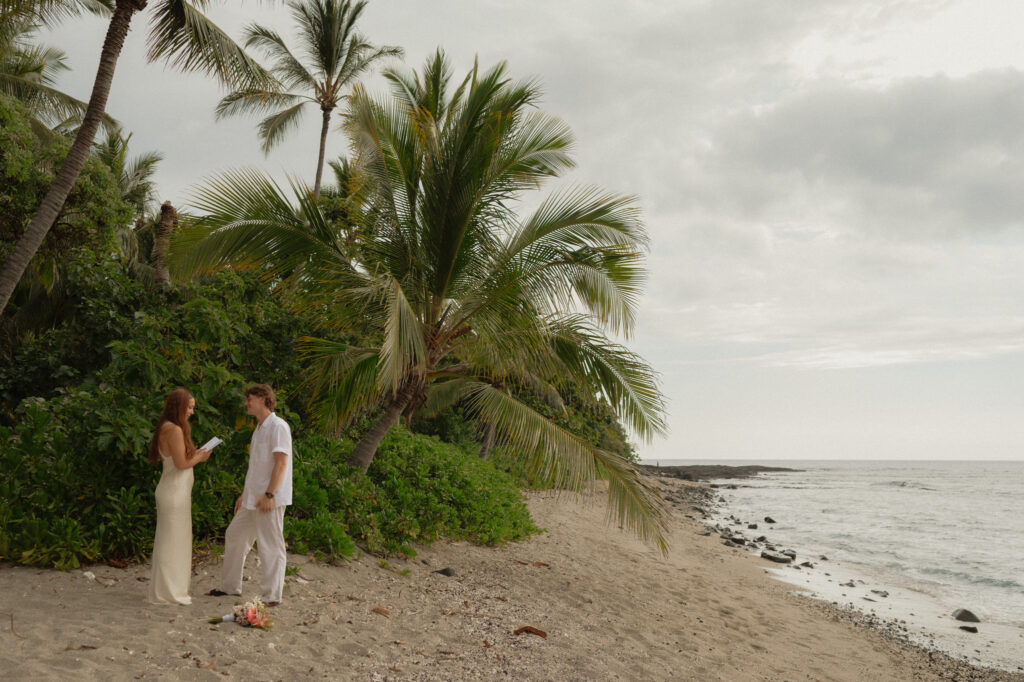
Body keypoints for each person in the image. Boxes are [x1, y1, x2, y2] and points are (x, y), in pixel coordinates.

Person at [208, 384, 293, 606]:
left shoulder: (278, 426)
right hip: (252, 498)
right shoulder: (259, 428)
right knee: (235, 534)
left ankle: (271, 597)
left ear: (263, 399)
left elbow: (281, 463)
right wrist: (244, 495)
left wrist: (270, 495)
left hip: (269, 499)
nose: (246, 403)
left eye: (249, 399)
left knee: (270, 545)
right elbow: (256, 467)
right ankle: (230, 587)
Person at [148, 388, 211, 605]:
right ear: (179, 407)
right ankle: (169, 592)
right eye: (190, 407)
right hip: (174, 493)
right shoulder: (174, 429)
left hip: (175, 492)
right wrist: (200, 457)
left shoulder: (167, 426)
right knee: (171, 544)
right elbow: (182, 464)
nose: (192, 411)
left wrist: (198, 454)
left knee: (172, 542)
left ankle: (168, 589)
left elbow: (180, 459)